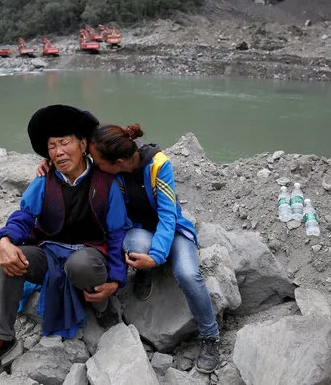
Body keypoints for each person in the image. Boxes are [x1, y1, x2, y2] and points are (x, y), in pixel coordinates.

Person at [37, 122, 221, 373]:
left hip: (173, 230)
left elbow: (168, 216)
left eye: (97, 159)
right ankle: (143, 269)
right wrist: (49, 165)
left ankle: (210, 336)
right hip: (139, 231)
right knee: (134, 244)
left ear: (118, 163)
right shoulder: (113, 168)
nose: (93, 161)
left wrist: (157, 256)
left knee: (188, 275)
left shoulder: (159, 165)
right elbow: (79, 165)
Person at [0, 105, 130, 378]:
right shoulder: (44, 182)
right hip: (50, 254)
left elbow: (116, 235)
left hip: (90, 255)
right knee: (14, 260)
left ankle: (101, 303)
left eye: (65, 142)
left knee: (80, 265)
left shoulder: (107, 183)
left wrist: (115, 280)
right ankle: (1, 337)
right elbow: (24, 217)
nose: (58, 151)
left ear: (83, 144)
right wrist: (5, 241)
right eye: (52, 145)